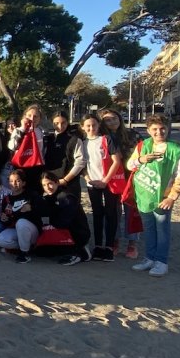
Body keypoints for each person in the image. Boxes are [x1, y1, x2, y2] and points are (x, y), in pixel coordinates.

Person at [127, 113, 180, 277]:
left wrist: (172, 197)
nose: (159, 132)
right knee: (149, 230)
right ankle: (149, 258)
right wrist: (141, 160)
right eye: (155, 129)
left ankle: (161, 261)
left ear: (168, 128)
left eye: (162, 128)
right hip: (144, 195)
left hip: (163, 198)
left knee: (162, 230)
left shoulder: (176, 150)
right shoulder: (142, 146)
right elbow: (130, 165)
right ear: (149, 130)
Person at [99, 107, 143, 258]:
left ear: (120, 118)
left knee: (131, 210)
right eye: (107, 120)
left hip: (131, 177)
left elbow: (144, 152)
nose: (112, 122)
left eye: (114, 118)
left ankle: (132, 243)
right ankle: (114, 240)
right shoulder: (103, 137)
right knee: (113, 211)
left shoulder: (133, 134)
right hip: (112, 178)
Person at [81, 114, 123, 262]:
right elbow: (82, 164)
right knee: (97, 214)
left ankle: (109, 247)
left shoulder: (106, 139)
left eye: (94, 125)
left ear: (98, 125)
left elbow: (116, 161)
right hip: (92, 183)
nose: (91, 128)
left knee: (111, 214)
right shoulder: (82, 143)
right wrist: (88, 179)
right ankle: (98, 246)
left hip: (108, 182)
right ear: (83, 127)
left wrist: (105, 180)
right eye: (88, 126)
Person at [38, 172, 92, 266]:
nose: (47, 187)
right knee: (43, 252)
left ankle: (81, 251)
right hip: (61, 229)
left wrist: (50, 225)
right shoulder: (50, 197)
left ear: (57, 183)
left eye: (50, 183)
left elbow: (64, 221)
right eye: (44, 185)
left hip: (77, 234)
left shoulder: (66, 197)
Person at [0, 169, 42, 263]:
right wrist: (4, 219)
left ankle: (24, 254)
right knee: (0, 240)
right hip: (18, 230)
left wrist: (32, 208)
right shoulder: (7, 199)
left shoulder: (31, 195)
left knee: (21, 223)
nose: (14, 183)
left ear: (23, 183)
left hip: (32, 230)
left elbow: (43, 211)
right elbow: (8, 220)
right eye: (11, 181)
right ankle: (27, 248)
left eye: (17, 181)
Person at [43, 111, 85, 198]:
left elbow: (80, 162)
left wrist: (65, 179)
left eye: (63, 123)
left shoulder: (75, 140)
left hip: (69, 183)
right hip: (50, 183)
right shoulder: (47, 139)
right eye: (56, 123)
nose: (60, 126)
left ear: (67, 122)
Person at [6, 104, 47, 190]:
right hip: (21, 165)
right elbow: (12, 146)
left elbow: (42, 150)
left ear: (40, 118)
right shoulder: (19, 130)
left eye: (36, 116)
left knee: (35, 190)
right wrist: (23, 129)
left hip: (36, 166)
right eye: (29, 115)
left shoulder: (41, 131)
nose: (32, 118)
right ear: (24, 116)